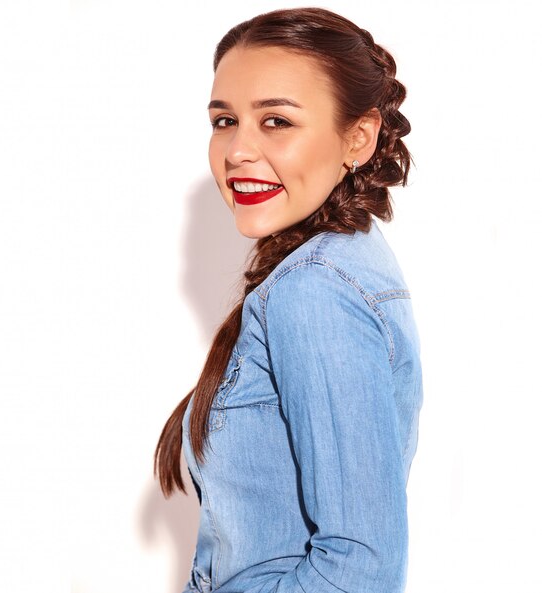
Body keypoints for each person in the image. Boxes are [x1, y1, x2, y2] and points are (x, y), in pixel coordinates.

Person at [154, 7, 423, 593]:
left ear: (359, 136)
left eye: (275, 121)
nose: (237, 151)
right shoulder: (344, 260)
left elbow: (360, 570)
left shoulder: (316, 289)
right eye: (224, 120)